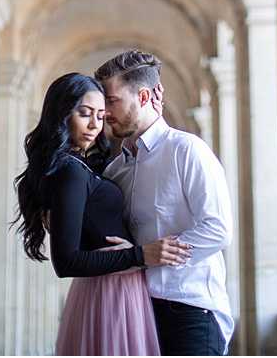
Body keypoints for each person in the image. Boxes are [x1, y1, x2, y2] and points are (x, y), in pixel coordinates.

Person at [12, 72, 192, 356]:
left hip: (113, 288)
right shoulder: (69, 171)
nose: (95, 125)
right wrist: (141, 255)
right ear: (62, 114)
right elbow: (66, 261)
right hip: (111, 292)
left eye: (101, 115)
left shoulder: (77, 166)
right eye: (84, 114)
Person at [95, 49, 234, 356]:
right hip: (136, 309)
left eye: (112, 100)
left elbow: (218, 229)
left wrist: (150, 256)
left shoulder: (187, 150)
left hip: (190, 309)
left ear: (144, 97)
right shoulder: (115, 170)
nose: (104, 111)